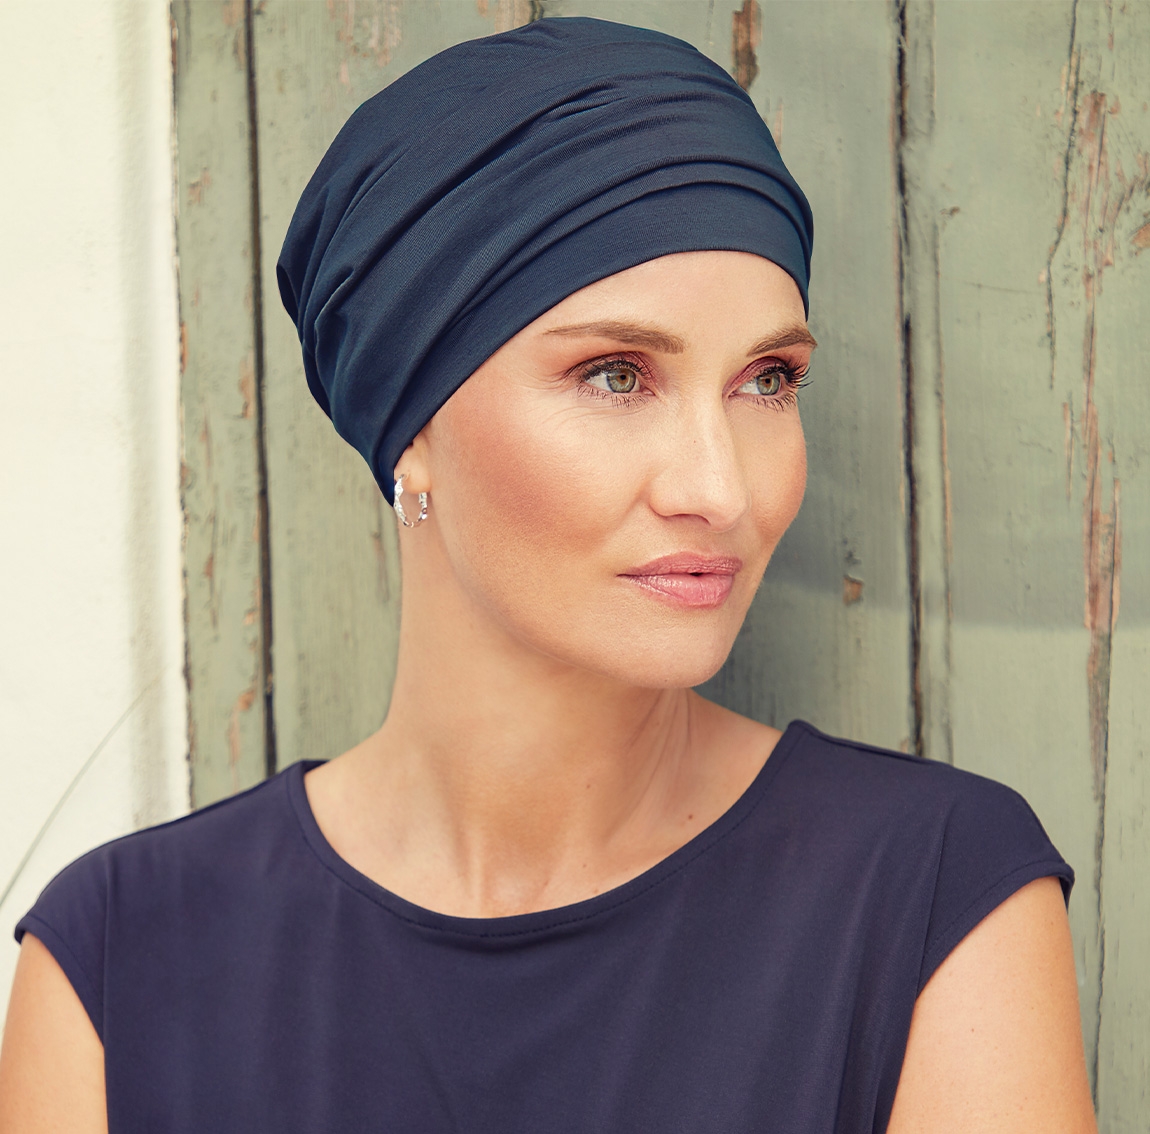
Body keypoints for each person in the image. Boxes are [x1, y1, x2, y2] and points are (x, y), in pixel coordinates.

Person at [0, 17, 1096, 1133]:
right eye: (616, 375)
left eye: (767, 379)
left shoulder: (936, 895)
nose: (720, 488)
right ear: (409, 426)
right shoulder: (119, 957)